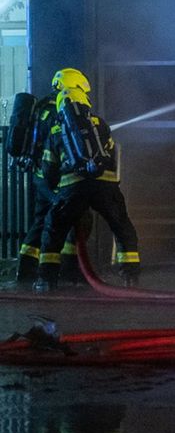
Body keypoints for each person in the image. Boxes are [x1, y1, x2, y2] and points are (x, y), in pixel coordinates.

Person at [36, 68, 142, 292]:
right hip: (106, 185)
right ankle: (130, 276)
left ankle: (46, 280)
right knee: (121, 226)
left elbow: (48, 167)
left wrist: (57, 192)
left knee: (54, 229)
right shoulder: (100, 124)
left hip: (72, 187)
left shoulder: (56, 129)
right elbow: (111, 156)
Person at [10, 85, 90, 290]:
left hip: (41, 177)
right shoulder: (58, 112)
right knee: (74, 219)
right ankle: (66, 271)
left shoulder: (42, 108)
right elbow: (58, 147)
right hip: (53, 178)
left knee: (40, 223)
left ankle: (26, 272)